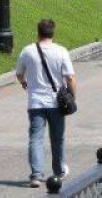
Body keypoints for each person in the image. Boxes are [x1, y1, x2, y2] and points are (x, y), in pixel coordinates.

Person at [14, 18, 76, 188]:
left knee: (35, 138)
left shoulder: (28, 51)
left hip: (35, 103)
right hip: (56, 103)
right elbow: (70, 78)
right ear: (52, 33)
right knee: (57, 138)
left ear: (38, 32)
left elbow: (19, 73)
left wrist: (24, 83)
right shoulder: (61, 51)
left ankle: (36, 175)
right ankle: (58, 171)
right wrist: (72, 96)